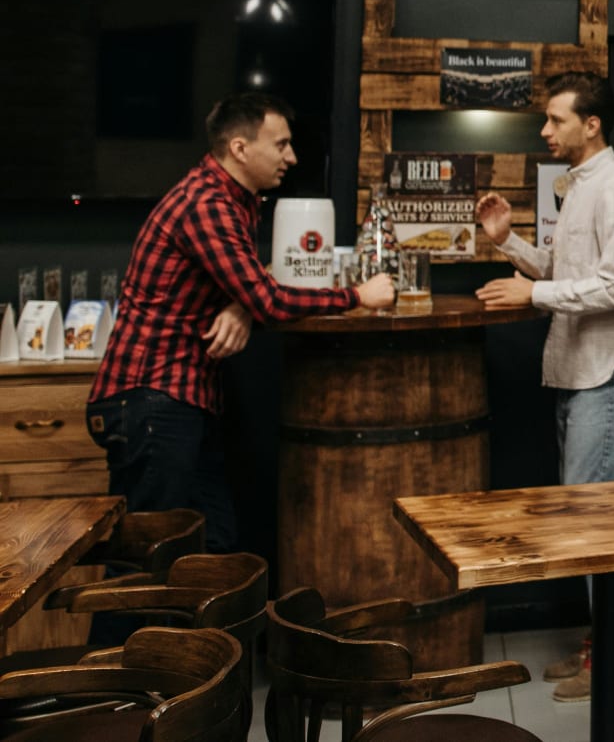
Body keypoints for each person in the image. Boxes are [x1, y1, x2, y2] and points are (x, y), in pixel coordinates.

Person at [87, 93, 395, 552]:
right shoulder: (207, 204)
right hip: (152, 400)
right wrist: (358, 296)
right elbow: (268, 298)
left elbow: (251, 285)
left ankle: (202, 629)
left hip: (181, 400)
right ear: (240, 149)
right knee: (142, 563)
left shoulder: (238, 202)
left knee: (214, 547)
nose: (291, 157)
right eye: (281, 144)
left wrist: (240, 306)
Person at [475, 71, 614, 702]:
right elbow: (564, 274)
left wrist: (533, 290)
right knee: (583, 521)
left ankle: (612, 659)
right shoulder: (579, 188)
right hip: (579, 372)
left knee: (596, 526)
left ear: (592, 125)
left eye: (555, 119)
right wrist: (512, 246)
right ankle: (597, 649)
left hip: (606, 374)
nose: (544, 129)